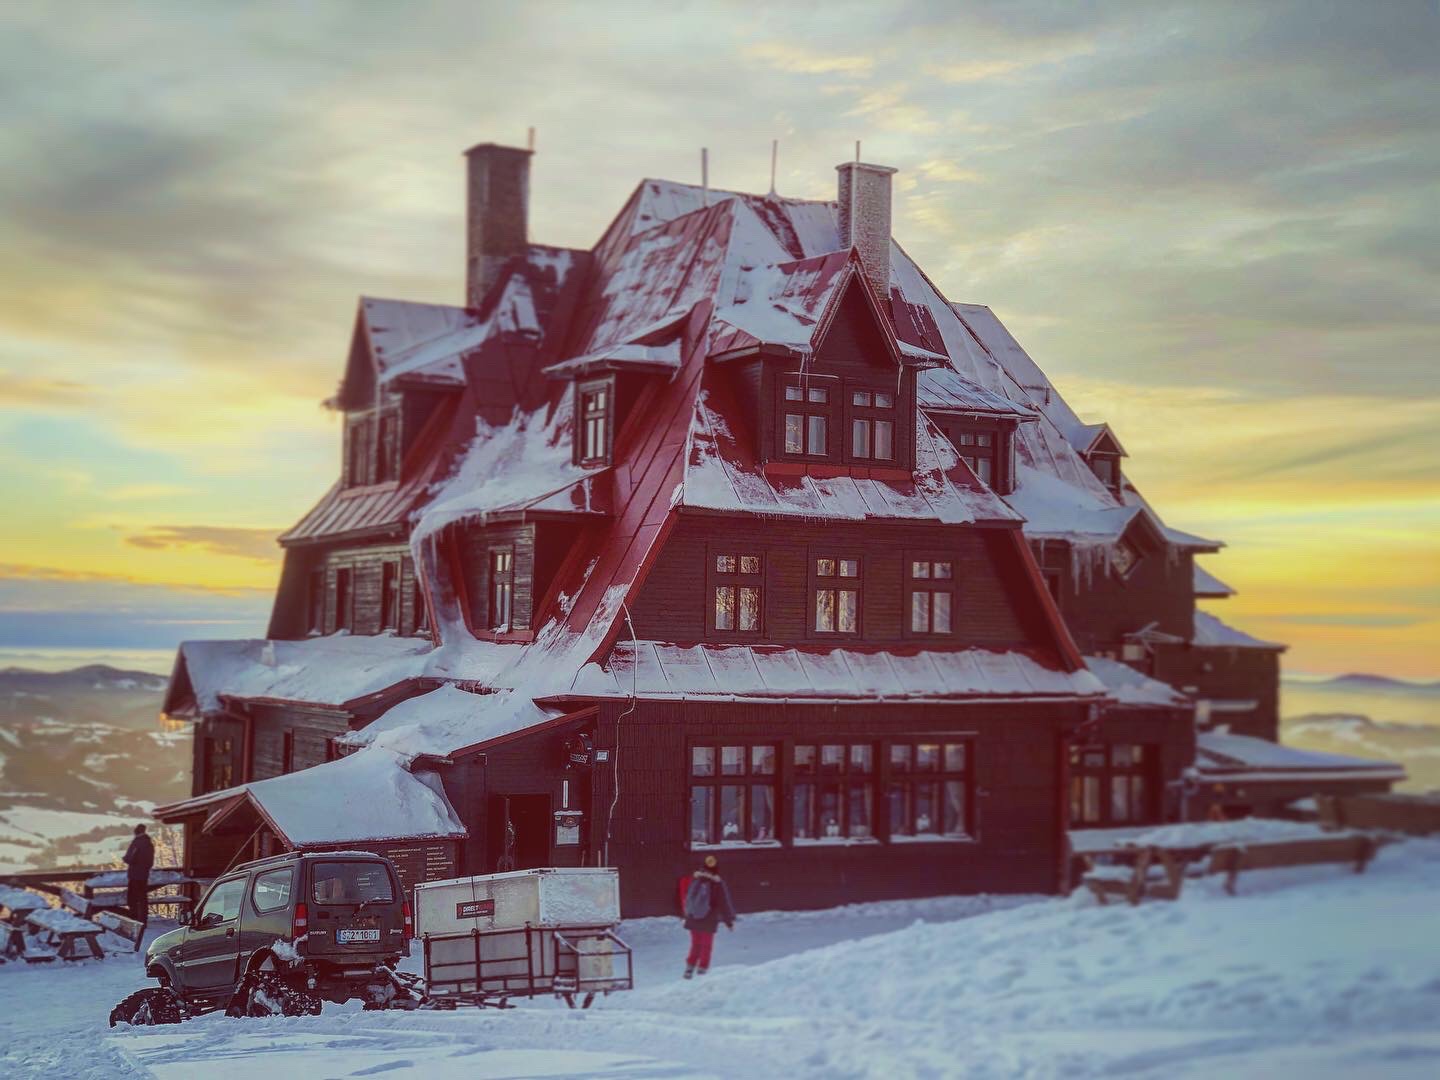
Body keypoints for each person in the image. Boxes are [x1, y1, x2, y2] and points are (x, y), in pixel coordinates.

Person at [681, 854, 736, 979]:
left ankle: (689, 968)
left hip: (693, 917)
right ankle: (702, 970)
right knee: (706, 945)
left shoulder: (695, 880)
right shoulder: (717, 883)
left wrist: (687, 914)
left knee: (695, 943)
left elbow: (688, 898)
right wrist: (729, 922)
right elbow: (724, 903)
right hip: (709, 918)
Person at [123, 823, 155, 944]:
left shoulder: (137, 843)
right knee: (143, 898)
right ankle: (143, 921)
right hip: (144, 875)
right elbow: (150, 862)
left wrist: (127, 859)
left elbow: (129, 858)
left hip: (134, 875)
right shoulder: (149, 843)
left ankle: (134, 921)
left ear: (136, 831)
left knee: (132, 899)